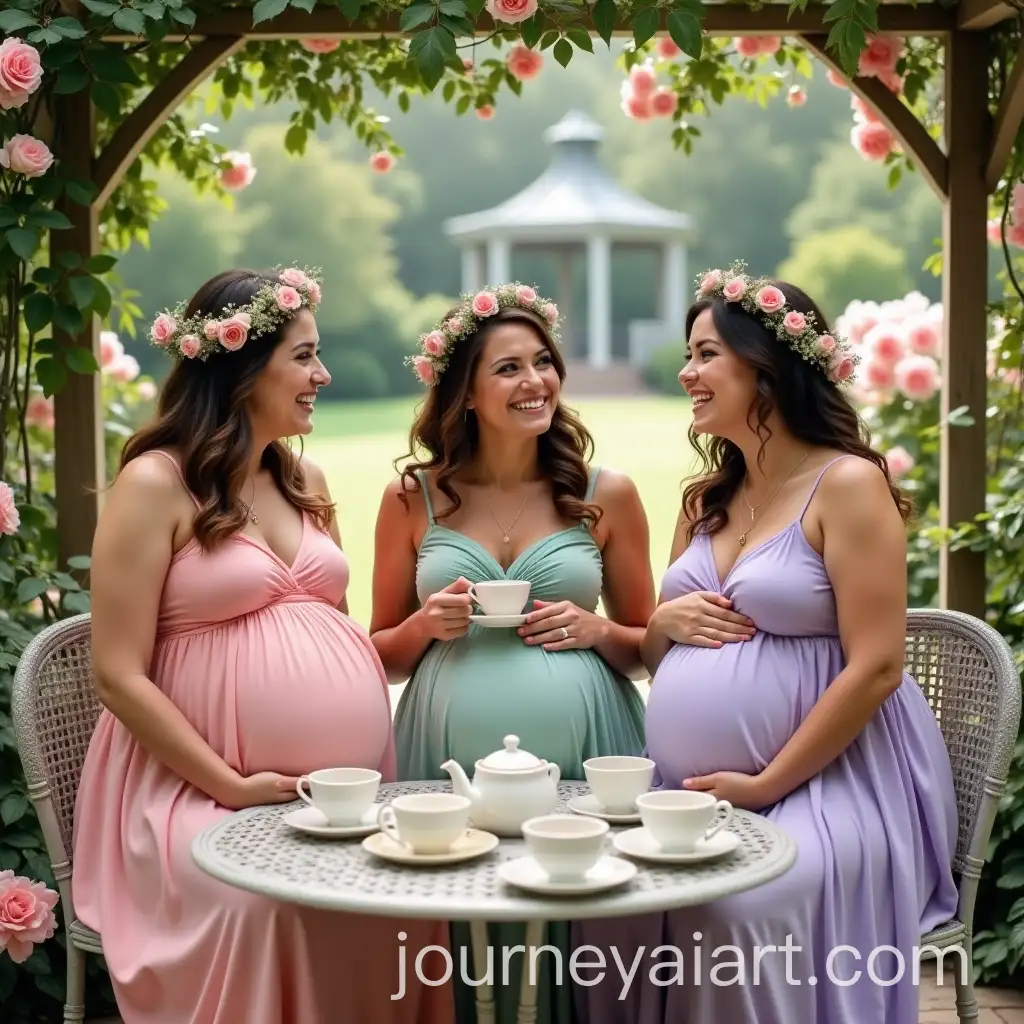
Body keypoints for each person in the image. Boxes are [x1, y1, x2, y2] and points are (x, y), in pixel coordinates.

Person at [572, 263, 959, 1024]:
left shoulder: (846, 485)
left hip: (832, 783)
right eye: (689, 354)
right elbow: (662, 657)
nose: (687, 372)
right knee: (605, 902)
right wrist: (660, 626)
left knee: (735, 910)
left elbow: (878, 667)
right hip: (690, 794)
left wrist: (766, 783)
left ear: (769, 367)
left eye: (706, 353)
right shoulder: (707, 502)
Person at [72, 268, 454, 1024]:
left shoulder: (301, 477)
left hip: (340, 792)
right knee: (267, 904)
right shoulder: (156, 484)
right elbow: (117, 676)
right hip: (189, 793)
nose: (324, 374)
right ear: (244, 367)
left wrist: (416, 633)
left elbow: (332, 632)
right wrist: (230, 784)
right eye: (305, 356)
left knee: (411, 886)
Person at [369, 283, 655, 1023]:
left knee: (583, 936)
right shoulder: (412, 499)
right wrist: (426, 624)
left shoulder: (606, 496)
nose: (535, 382)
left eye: (543, 363)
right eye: (508, 368)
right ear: (464, 391)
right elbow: (381, 653)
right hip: (445, 748)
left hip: (586, 745)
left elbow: (649, 647)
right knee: (450, 928)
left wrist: (598, 633)